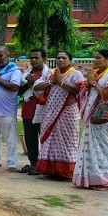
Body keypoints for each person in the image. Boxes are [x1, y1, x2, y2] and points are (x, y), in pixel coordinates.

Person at [73, 49, 108, 189]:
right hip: (91, 118)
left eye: (98, 58)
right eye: (94, 58)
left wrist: (93, 83)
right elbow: (86, 91)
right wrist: (88, 84)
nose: (94, 60)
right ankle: (89, 179)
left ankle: (103, 180)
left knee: (104, 148)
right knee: (89, 147)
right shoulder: (96, 74)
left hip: (103, 118)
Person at [33, 51, 84, 180]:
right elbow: (37, 86)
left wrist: (61, 82)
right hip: (49, 112)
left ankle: (66, 172)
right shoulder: (51, 73)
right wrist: (52, 82)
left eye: (64, 58)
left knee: (68, 141)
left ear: (70, 60)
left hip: (67, 113)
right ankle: (50, 170)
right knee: (50, 141)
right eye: (58, 57)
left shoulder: (75, 74)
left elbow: (78, 89)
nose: (60, 60)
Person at [19, 49, 51, 174]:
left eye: (37, 58)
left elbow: (50, 91)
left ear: (44, 59)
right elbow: (19, 91)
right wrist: (28, 83)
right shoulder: (26, 74)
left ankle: (44, 164)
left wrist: (34, 83)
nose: (33, 60)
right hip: (28, 109)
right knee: (30, 138)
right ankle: (33, 163)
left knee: (44, 138)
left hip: (44, 110)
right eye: (32, 58)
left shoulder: (49, 75)